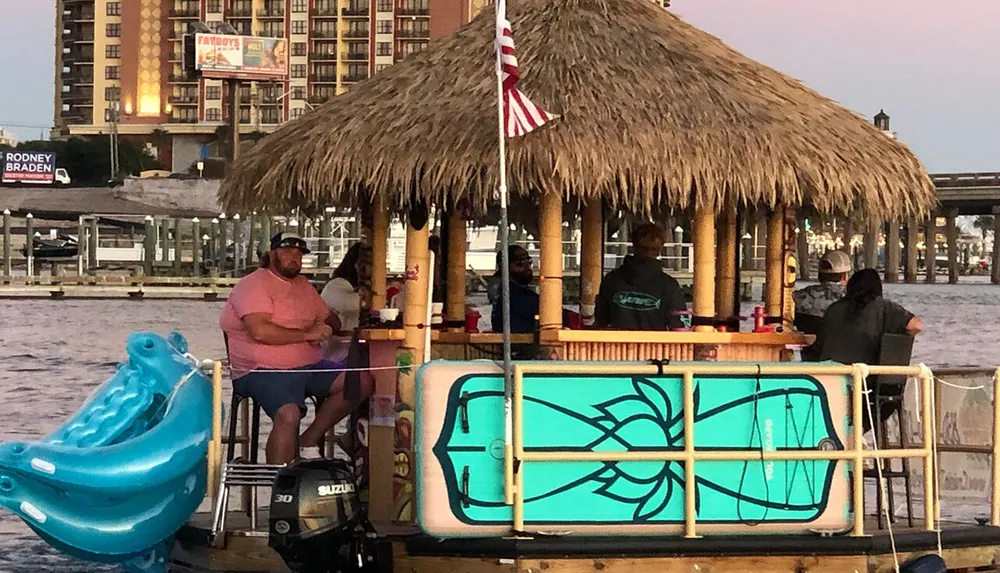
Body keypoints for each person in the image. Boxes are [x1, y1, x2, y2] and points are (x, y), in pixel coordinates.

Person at [219, 232, 373, 464]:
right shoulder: (252, 285)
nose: (295, 258)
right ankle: (279, 484)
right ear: (272, 254)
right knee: (289, 414)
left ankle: (308, 440)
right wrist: (306, 333)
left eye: (300, 254)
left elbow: (333, 320)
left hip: (310, 364)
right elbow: (260, 331)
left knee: (360, 381)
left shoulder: (303, 286)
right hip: (261, 370)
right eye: (288, 252)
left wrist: (324, 327)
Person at [813, 268, 922, 365]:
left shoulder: (833, 308)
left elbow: (820, 344)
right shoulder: (884, 306)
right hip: (865, 376)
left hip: (830, 374)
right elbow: (915, 326)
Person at [594, 222, 687, 330]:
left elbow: (601, 321)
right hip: (656, 346)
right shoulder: (670, 286)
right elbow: (680, 327)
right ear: (660, 249)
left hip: (617, 345)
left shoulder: (611, 280)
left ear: (633, 245)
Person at [320, 243, 364, 362]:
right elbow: (356, 305)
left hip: (348, 347)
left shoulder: (349, 286)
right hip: (336, 352)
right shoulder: (336, 285)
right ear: (356, 265)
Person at [793, 250, 852, 331]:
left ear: (819, 275)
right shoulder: (853, 299)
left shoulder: (799, 298)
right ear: (845, 275)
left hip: (809, 341)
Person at [488, 245, 541, 333]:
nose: (527, 266)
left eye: (528, 261)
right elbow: (539, 307)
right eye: (520, 262)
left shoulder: (504, 287)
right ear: (504, 265)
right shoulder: (510, 292)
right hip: (518, 343)